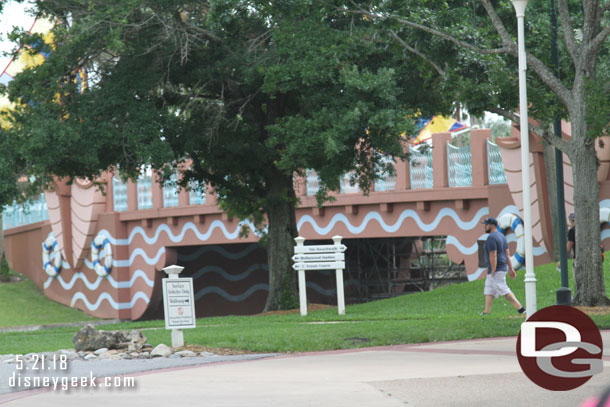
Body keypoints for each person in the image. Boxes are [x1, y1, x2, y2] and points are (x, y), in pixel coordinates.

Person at [480, 217, 525, 316]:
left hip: (496, 269)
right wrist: (511, 268)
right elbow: (507, 254)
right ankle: (486, 312)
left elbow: (493, 254)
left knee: (504, 290)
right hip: (501, 267)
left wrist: (493, 270)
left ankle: (521, 309)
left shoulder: (491, 238)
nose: (484, 227)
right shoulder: (502, 236)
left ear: (492, 225)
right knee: (488, 289)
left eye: (486, 225)